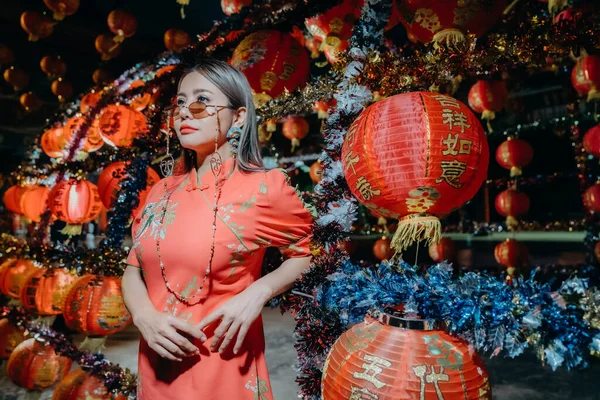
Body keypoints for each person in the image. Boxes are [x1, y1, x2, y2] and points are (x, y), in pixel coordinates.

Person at [122, 59, 314, 399]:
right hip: (156, 372)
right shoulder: (160, 192)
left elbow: (310, 253)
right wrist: (144, 316)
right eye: (180, 102)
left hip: (223, 370)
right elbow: (133, 269)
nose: (185, 112)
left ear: (238, 117)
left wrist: (258, 292)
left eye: (201, 101)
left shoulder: (264, 188)